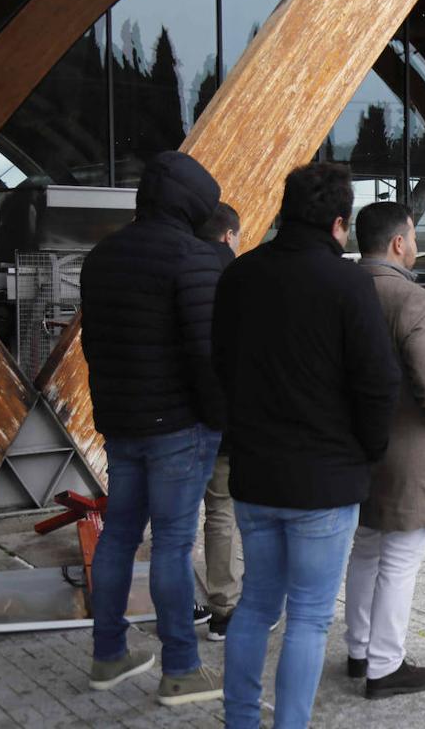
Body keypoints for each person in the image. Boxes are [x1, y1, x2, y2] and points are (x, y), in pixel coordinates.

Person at [212, 163, 400, 728]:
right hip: (326, 480)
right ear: (339, 224)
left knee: (255, 606)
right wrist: (368, 449)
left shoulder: (240, 276)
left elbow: (220, 363)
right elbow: (378, 380)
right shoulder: (348, 285)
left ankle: (241, 720)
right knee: (310, 619)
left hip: (256, 475)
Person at [80, 150, 225, 706]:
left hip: (122, 422)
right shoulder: (193, 258)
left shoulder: (102, 257)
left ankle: (109, 655)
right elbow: (206, 354)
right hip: (179, 427)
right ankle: (182, 669)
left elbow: (94, 346)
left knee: (117, 535)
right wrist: (222, 420)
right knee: (171, 543)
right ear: (191, 205)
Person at [343, 202, 425, 699]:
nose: (415, 244)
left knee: (367, 545)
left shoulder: (344, 289)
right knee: (402, 556)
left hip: (356, 444)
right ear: (398, 243)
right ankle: (385, 665)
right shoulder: (410, 299)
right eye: (413, 236)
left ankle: (358, 649)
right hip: (409, 446)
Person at [195, 202, 243, 640]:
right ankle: (226, 608)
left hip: (178, 416)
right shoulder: (243, 276)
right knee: (224, 510)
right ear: (229, 235)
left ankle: (192, 604)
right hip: (231, 417)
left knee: (176, 517)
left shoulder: (178, 268)